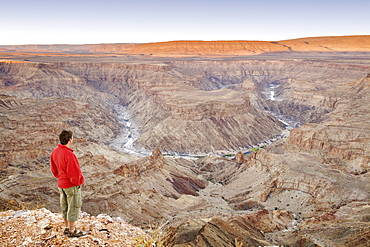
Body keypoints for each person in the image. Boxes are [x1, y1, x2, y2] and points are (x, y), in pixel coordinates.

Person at [50, 130, 86, 237]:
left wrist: (61, 177)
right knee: (73, 206)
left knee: (64, 206)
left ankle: (66, 228)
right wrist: (78, 182)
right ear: (70, 139)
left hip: (61, 184)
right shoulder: (70, 155)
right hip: (71, 185)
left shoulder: (55, 152)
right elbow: (74, 173)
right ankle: (72, 230)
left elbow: (54, 169)